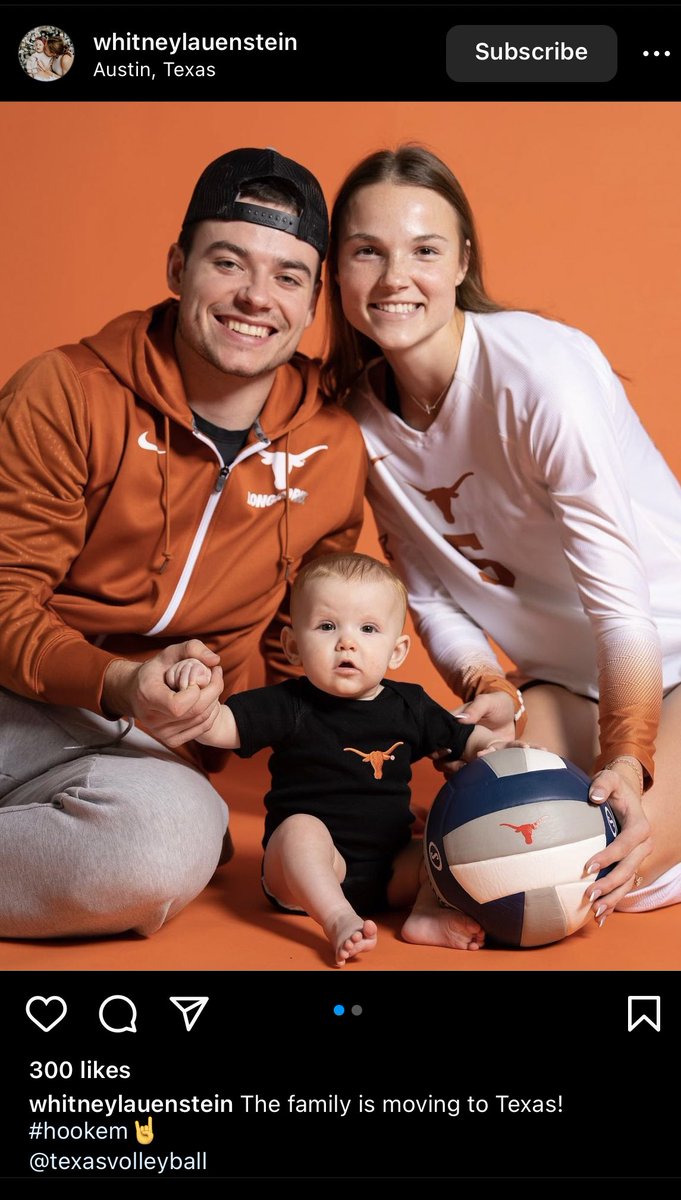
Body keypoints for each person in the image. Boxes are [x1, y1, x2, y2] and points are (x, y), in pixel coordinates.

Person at [0, 147, 366, 939]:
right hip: (15, 700)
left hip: (132, 755)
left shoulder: (334, 450)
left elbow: (295, 649)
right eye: (228, 261)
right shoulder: (64, 391)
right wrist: (120, 679)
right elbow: (2, 597)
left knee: (171, 843)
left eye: (288, 276)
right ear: (177, 266)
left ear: (312, 306)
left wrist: (359, 776)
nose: (253, 298)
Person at [324, 144, 681, 927]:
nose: (394, 278)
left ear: (461, 263)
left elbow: (623, 608)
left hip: (667, 654)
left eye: (423, 249)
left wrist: (625, 754)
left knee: (608, 874)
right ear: (337, 271)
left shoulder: (540, 374)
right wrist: (487, 688)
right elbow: (428, 590)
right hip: (557, 679)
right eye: (366, 252)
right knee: (481, 867)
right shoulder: (354, 416)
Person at [165, 552, 521, 966]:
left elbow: (464, 737)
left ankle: (425, 911)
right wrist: (193, 690)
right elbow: (220, 724)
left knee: (440, 848)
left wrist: (491, 749)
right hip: (306, 876)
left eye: (368, 629)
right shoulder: (288, 704)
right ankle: (336, 918)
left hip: (391, 867)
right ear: (294, 646)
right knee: (299, 830)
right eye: (327, 626)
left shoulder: (411, 706)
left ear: (397, 651)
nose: (347, 642)